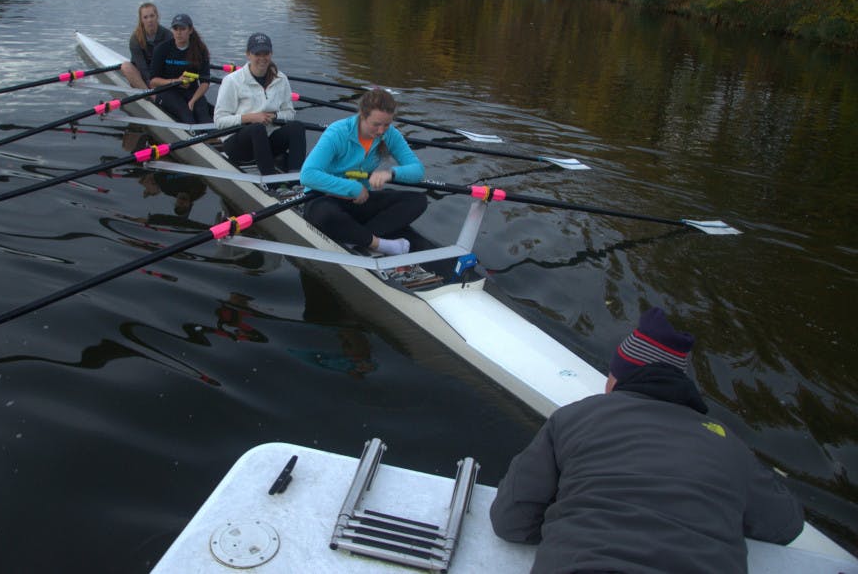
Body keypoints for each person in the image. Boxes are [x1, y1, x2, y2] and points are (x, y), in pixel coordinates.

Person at [489, 307, 805, 574]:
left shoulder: (572, 418)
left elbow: (511, 521)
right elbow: (785, 526)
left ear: (621, 377)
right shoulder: (728, 443)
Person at [299, 88, 426, 256]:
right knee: (325, 215)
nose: (381, 131)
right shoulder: (338, 132)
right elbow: (307, 175)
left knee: (418, 200)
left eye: (386, 125)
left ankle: (357, 237)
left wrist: (390, 173)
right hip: (324, 197)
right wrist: (351, 188)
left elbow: (418, 170)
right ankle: (377, 243)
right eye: (376, 124)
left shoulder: (391, 135)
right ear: (362, 116)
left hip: (361, 200)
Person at [213, 32, 306, 176]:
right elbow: (219, 121)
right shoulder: (232, 81)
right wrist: (251, 117)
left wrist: (275, 116)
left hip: (267, 142)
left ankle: (297, 178)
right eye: (257, 54)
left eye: (266, 53)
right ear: (248, 55)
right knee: (257, 128)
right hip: (238, 145)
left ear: (271, 53)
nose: (262, 58)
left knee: (297, 127)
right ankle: (271, 182)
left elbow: (290, 113)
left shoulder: (281, 79)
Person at [149, 13, 211, 124]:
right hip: (167, 91)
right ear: (172, 30)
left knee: (204, 117)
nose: (178, 32)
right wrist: (176, 81)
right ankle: (195, 138)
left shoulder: (200, 50)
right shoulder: (162, 49)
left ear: (190, 30)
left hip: (191, 91)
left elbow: (205, 82)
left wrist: (193, 100)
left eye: (182, 29)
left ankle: (213, 138)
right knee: (187, 116)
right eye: (175, 29)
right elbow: (153, 82)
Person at [120, 2, 172, 90]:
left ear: (157, 16)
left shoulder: (168, 36)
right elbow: (142, 68)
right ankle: (149, 96)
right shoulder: (135, 39)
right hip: (143, 74)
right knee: (125, 66)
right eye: (145, 17)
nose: (149, 20)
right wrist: (151, 84)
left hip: (160, 73)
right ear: (141, 20)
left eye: (152, 16)